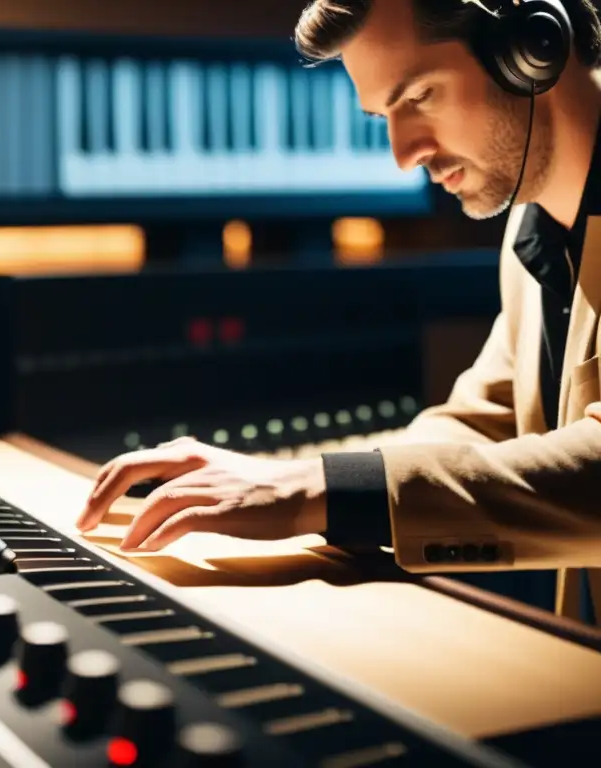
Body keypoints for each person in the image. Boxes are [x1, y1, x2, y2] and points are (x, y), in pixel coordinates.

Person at [74, 0, 601, 625]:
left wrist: (320, 491)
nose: (404, 153)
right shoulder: (532, 228)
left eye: (421, 95)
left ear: (534, 45)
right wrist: (288, 479)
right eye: (385, 115)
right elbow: (476, 425)